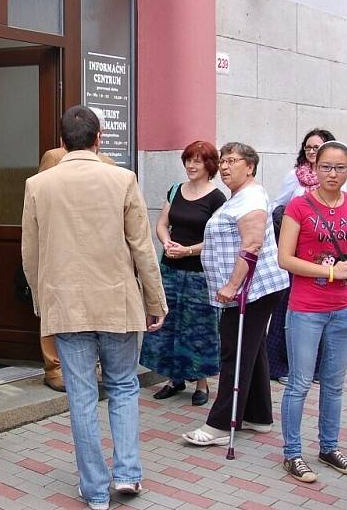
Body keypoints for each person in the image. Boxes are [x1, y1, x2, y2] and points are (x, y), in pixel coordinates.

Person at [21, 105, 167, 510]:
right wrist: (155, 300)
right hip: (117, 301)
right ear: (99, 137)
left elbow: (30, 254)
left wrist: (40, 299)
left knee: (81, 396)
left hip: (66, 305)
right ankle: (127, 474)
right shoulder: (122, 178)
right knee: (123, 386)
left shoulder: (38, 184)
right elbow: (142, 246)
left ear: (63, 142)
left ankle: (94, 488)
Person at [183, 142, 288, 446]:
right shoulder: (241, 196)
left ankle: (219, 425)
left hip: (250, 291)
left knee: (235, 352)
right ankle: (259, 416)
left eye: (232, 161)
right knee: (252, 350)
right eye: (223, 161)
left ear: (250, 167)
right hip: (254, 289)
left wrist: (231, 287)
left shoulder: (251, 198)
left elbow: (251, 245)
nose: (225, 167)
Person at [277, 141, 347, 483]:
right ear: (314, 169)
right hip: (305, 309)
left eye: (340, 167)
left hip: (343, 310)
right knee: (299, 383)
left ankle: (329, 447)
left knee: (334, 384)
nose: (333, 173)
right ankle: (292, 453)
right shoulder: (299, 206)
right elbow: (285, 258)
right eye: (326, 167)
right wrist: (329, 273)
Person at [140, 140, 226, 406]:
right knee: (168, 326)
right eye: (188, 160)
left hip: (200, 274)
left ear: (209, 165)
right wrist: (166, 242)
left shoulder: (216, 198)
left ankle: (201, 384)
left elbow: (217, 239)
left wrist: (187, 250)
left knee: (198, 329)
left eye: (197, 161)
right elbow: (162, 223)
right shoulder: (176, 190)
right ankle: (172, 379)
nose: (191, 165)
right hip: (170, 269)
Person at [36, 112, 116, 393]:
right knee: (54, 309)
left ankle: (92, 366)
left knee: (90, 314)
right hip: (61, 245)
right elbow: (41, 204)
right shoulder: (54, 157)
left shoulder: (110, 165)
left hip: (98, 249)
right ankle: (54, 367)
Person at [268, 129, 335, 385]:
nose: (311, 151)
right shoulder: (294, 177)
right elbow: (276, 206)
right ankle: (279, 366)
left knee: (318, 309)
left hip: (322, 255)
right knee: (287, 307)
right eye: (308, 147)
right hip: (294, 251)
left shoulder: (332, 177)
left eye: (316, 147)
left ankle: (315, 367)